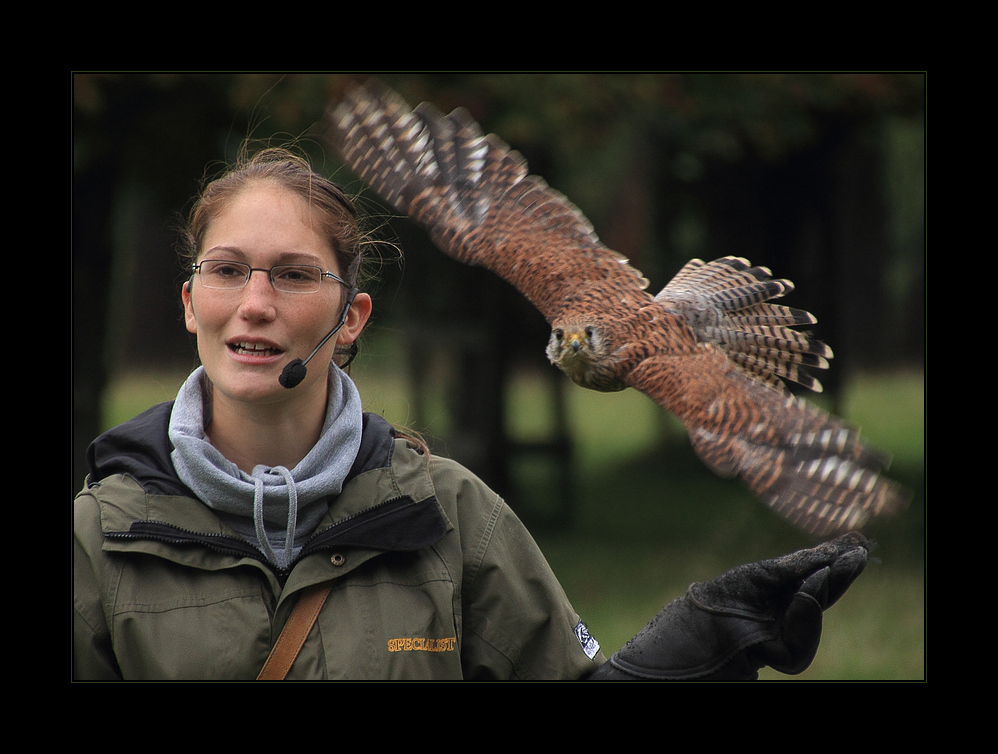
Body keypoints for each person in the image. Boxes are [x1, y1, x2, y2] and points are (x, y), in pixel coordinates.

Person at [73, 147, 870, 681]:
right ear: (188, 302)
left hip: (692, 327)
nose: (253, 305)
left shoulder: (450, 513)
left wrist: (695, 645)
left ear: (351, 316)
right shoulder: (95, 539)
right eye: (226, 270)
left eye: (291, 275)